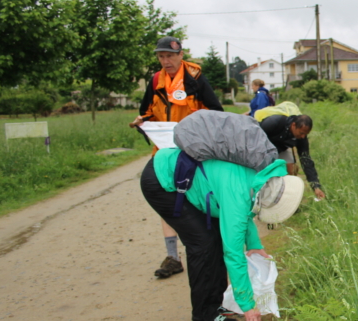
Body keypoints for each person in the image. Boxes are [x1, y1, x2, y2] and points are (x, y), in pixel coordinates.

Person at [140, 148, 303, 321]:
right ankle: (204, 315)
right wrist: (248, 305)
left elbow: (246, 209)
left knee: (214, 239)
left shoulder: (258, 177)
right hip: (161, 179)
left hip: (191, 176)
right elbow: (234, 253)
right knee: (202, 244)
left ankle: (217, 307)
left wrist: (254, 244)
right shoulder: (237, 195)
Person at [129, 36, 224, 279]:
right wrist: (142, 121)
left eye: (170, 56)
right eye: (161, 56)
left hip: (193, 151)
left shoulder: (195, 78)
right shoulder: (155, 80)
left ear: (181, 55)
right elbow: (147, 112)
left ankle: (210, 248)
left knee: (197, 197)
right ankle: (173, 257)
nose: (165, 60)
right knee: (167, 201)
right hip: (164, 152)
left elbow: (216, 112)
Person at [258, 114, 327, 200]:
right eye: (301, 133)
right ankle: (260, 194)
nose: (303, 136)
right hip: (262, 146)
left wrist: (316, 187)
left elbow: (306, 161)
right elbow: (255, 139)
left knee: (291, 170)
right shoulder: (274, 122)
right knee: (263, 170)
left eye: (305, 134)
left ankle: (286, 198)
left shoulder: (302, 138)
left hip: (281, 148)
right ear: (293, 125)